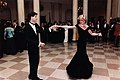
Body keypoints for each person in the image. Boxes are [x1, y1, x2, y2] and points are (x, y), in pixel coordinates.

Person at [52, 15, 98, 79]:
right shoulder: (77, 26)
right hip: (80, 43)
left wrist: (98, 34)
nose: (82, 21)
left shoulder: (87, 26)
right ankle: (76, 68)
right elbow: (68, 27)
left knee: (84, 54)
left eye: (84, 20)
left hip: (84, 43)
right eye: (81, 20)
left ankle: (84, 68)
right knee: (79, 54)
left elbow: (91, 34)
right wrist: (58, 26)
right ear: (79, 20)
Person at [24, 11, 45, 80]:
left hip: (36, 48)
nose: (37, 18)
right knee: (33, 62)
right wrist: (39, 43)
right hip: (31, 48)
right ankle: (34, 77)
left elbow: (42, 31)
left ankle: (32, 75)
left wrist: (50, 29)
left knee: (36, 61)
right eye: (35, 17)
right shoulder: (27, 27)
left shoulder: (36, 25)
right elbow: (27, 39)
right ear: (31, 17)